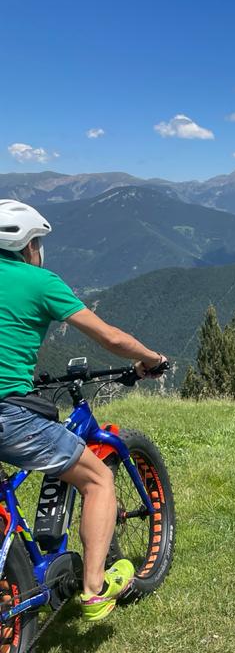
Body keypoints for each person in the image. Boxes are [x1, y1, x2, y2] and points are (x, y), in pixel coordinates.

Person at [0, 199, 167, 621]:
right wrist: (150, 359)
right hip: (7, 415)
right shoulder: (38, 281)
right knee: (96, 480)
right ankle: (94, 590)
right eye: (37, 242)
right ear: (26, 245)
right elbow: (108, 336)